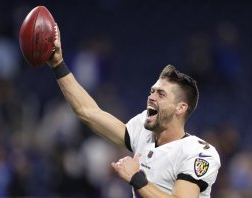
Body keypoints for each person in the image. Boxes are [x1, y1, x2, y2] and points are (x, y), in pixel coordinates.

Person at [46, 25, 221, 198]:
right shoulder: (143, 131)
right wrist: (58, 64)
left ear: (181, 107)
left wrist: (136, 178)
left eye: (161, 94)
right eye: (152, 91)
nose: (151, 97)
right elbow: (88, 112)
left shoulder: (199, 153)